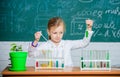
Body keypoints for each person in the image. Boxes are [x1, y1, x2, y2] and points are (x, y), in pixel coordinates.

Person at [28, 17, 93, 66]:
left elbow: (84, 42)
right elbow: (31, 54)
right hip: (53, 74)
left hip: (68, 74)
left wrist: (89, 28)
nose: (58, 36)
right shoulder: (46, 45)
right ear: (48, 32)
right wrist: (36, 41)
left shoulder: (67, 44)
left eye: (61, 32)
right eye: (55, 33)